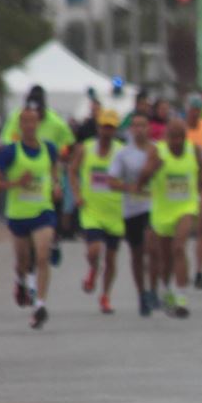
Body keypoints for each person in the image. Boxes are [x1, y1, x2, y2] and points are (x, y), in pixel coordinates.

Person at [0, 104, 62, 328]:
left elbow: (55, 171)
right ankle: (21, 281)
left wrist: (57, 185)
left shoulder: (49, 149)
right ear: (20, 126)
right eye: (25, 122)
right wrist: (16, 183)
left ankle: (39, 305)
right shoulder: (9, 152)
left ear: (38, 124)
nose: (30, 126)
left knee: (42, 256)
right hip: (19, 214)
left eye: (33, 122)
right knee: (23, 261)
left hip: (43, 212)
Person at [138, 117, 202, 318]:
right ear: (166, 137)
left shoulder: (194, 151)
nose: (177, 141)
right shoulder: (157, 152)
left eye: (180, 136)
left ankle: (181, 297)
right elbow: (142, 181)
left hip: (186, 206)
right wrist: (152, 169)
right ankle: (166, 290)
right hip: (163, 210)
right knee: (165, 259)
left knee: (179, 248)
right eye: (173, 137)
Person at [69, 110, 125, 313]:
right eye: (104, 127)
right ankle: (93, 268)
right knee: (94, 251)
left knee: (111, 258)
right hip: (91, 209)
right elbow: (72, 170)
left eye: (111, 127)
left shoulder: (121, 151)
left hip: (115, 210)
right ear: (98, 127)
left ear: (115, 129)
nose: (107, 131)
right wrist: (76, 193)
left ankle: (105, 296)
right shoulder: (86, 149)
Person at [108, 109, 158, 315]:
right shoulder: (123, 154)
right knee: (137, 254)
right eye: (135, 126)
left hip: (152, 207)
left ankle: (154, 290)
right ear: (130, 129)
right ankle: (142, 293)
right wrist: (129, 187)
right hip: (131, 209)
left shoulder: (156, 151)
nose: (139, 130)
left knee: (152, 249)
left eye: (143, 125)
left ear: (148, 128)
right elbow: (111, 181)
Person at [183, 95, 202, 290]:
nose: (196, 112)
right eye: (193, 108)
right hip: (183, 184)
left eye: (199, 108)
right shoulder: (180, 128)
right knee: (183, 229)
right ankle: (181, 266)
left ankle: (200, 271)